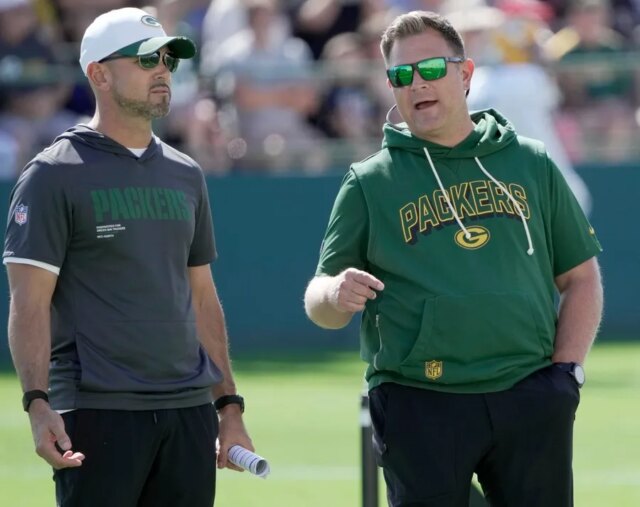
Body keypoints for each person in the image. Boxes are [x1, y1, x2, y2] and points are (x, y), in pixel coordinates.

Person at [304, 10, 603, 507]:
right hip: (419, 400)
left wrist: (567, 374)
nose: (417, 83)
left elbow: (581, 277)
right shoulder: (369, 182)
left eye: (430, 69)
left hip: (529, 393)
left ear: (465, 74)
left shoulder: (530, 161)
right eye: (401, 75)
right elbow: (320, 302)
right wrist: (335, 293)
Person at [3, 7, 253, 507]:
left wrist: (228, 406)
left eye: (167, 59)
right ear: (98, 74)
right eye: (145, 59)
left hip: (188, 412)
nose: (162, 70)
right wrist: (37, 404)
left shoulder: (186, 173)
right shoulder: (52, 174)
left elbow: (202, 297)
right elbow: (28, 303)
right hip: (97, 412)